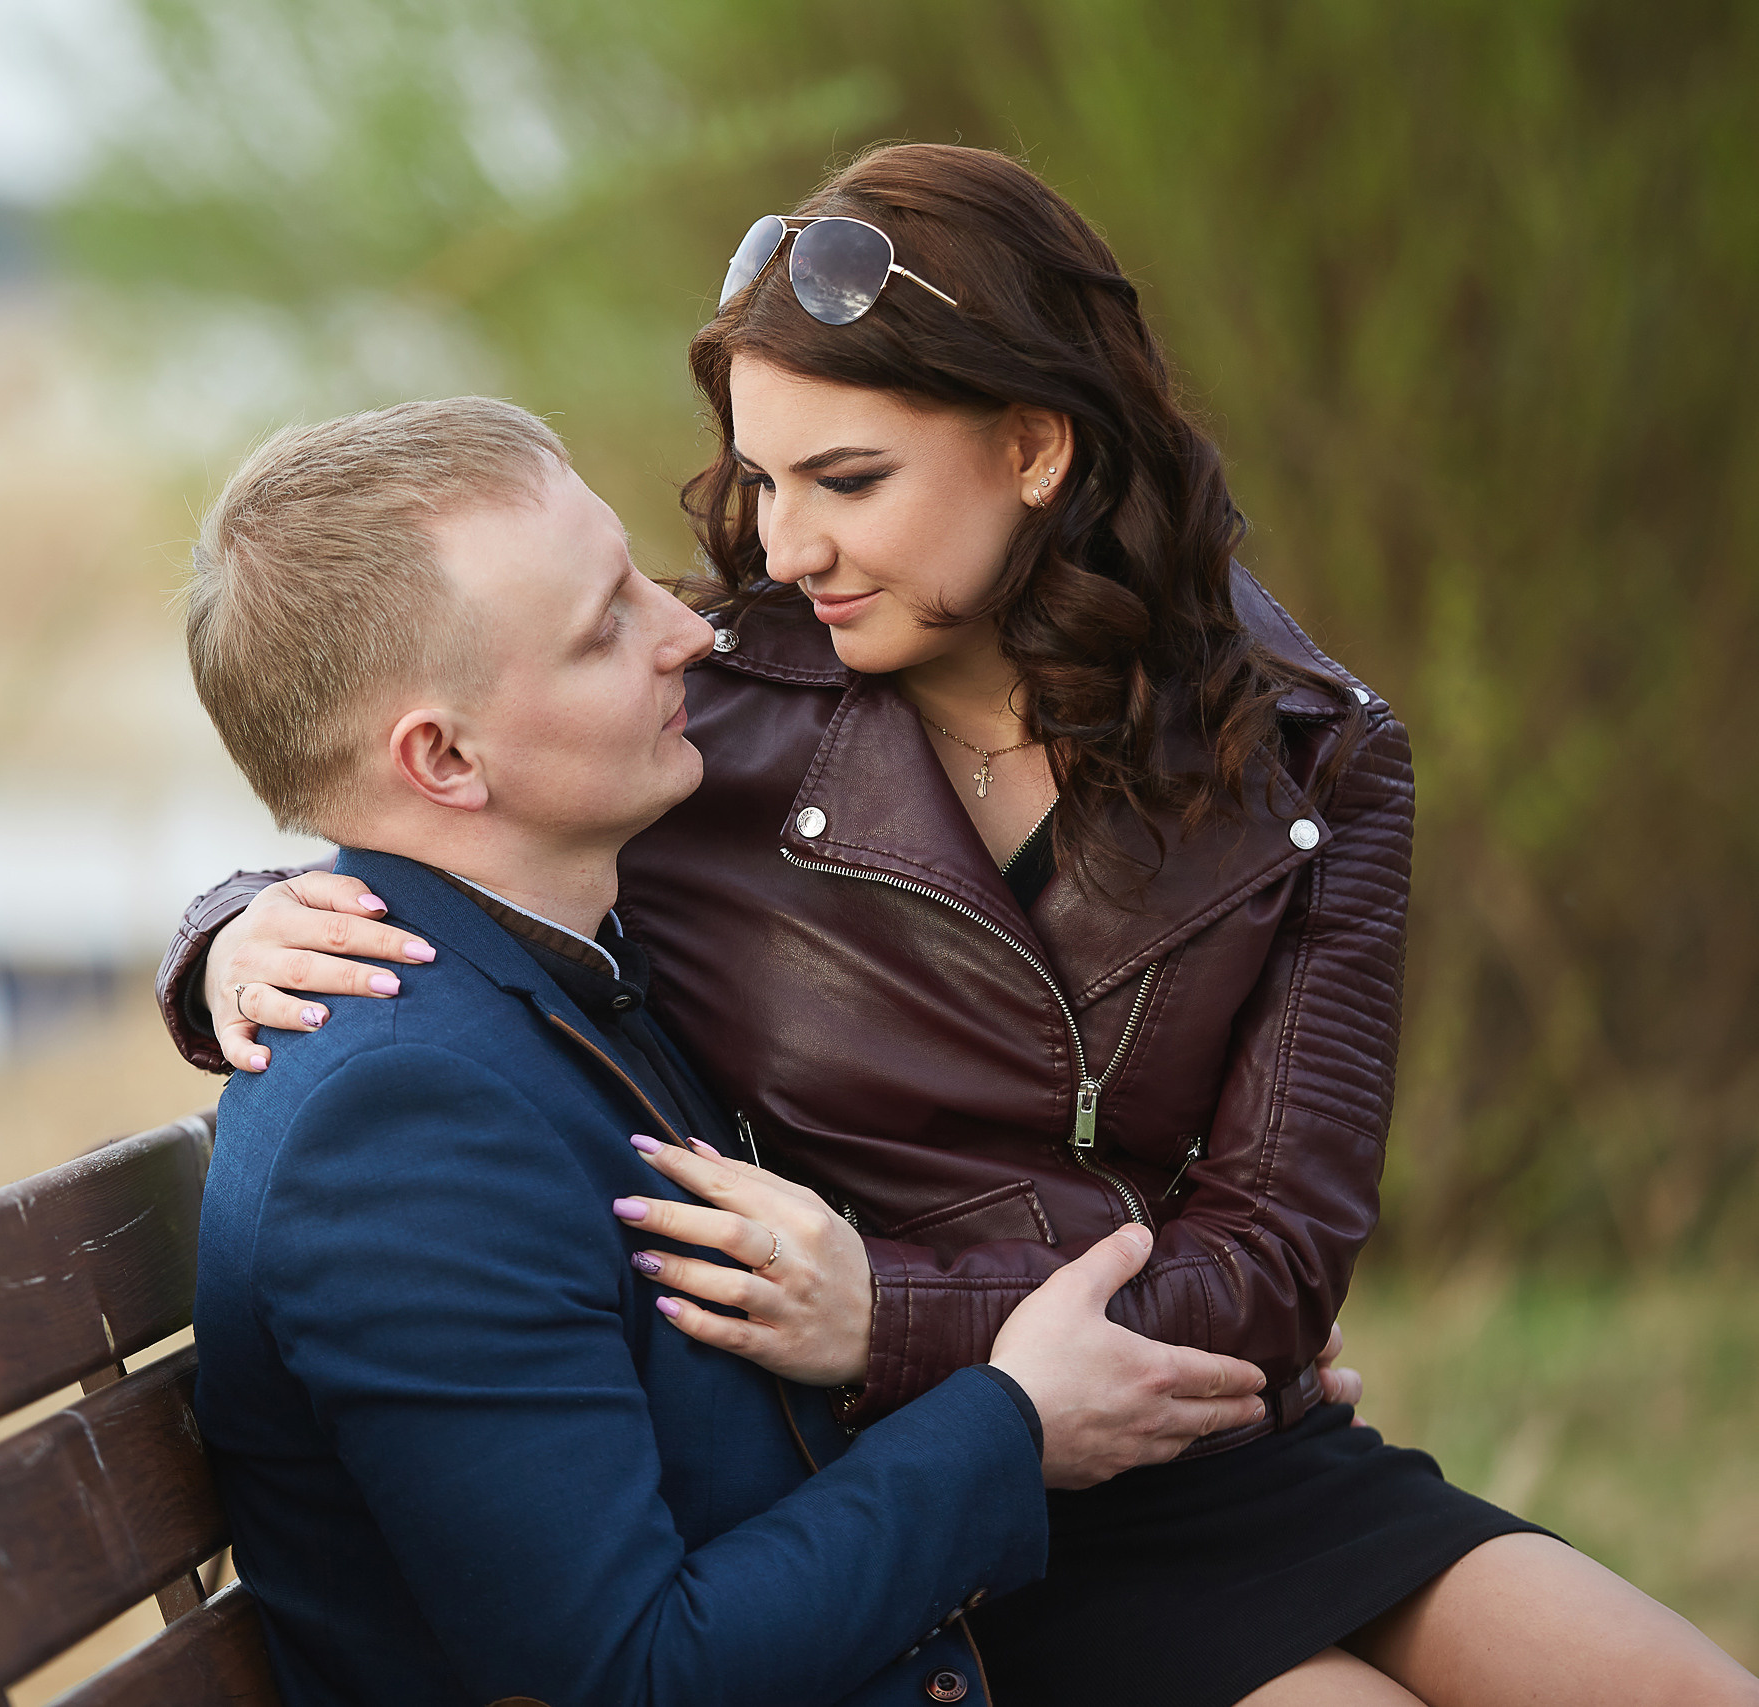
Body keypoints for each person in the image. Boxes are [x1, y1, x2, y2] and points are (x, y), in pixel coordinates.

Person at [158, 149, 1759, 1706]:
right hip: (932, 1490)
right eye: (762, 483)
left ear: (1035, 450)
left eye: (848, 482)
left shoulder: (1302, 757)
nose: (760, 565)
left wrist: (913, 1321)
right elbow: (429, 824)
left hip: (1141, 1420)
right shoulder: (717, 724)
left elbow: (1282, 1243)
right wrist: (234, 928)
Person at [182, 395, 1305, 1707]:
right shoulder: (407, 1125)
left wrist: (1153, 1343)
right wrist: (1015, 1424)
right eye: (608, 624)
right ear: (443, 758)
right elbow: (636, 1673)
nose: (689, 631)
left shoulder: (544, 962)